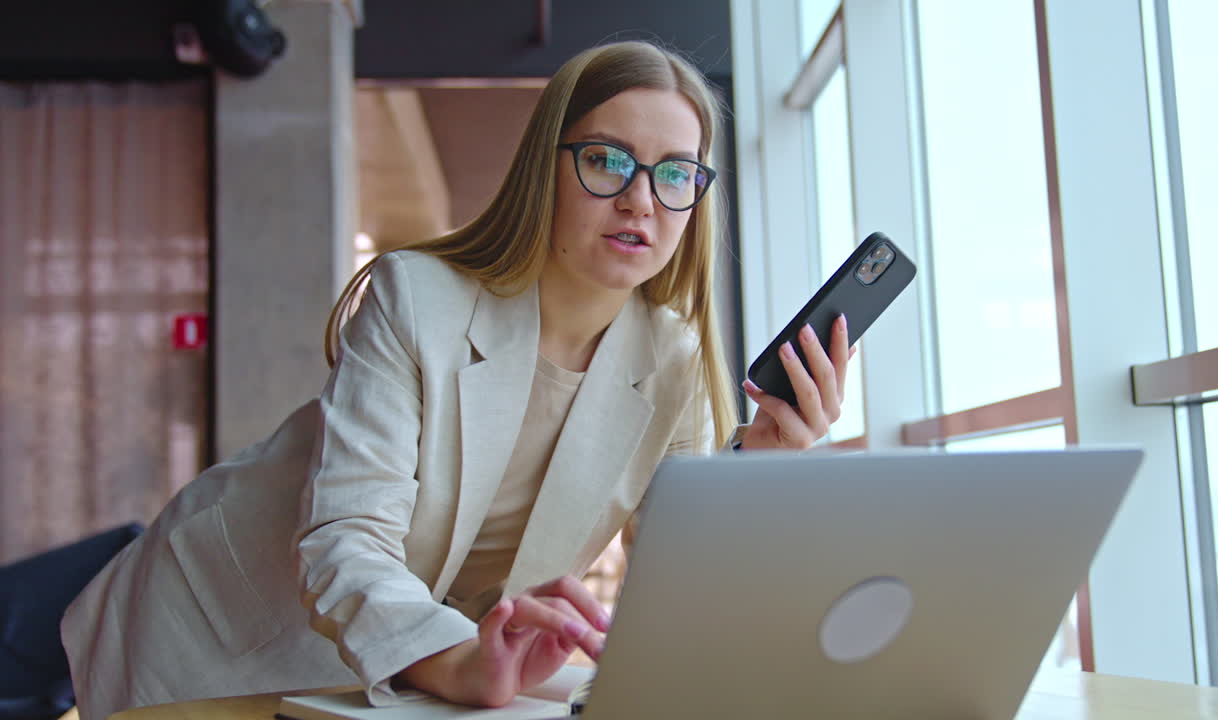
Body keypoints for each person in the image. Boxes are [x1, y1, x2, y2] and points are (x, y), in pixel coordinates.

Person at [60, 40, 855, 720]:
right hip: (220, 629)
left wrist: (763, 463)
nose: (641, 200)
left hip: (402, 669)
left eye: (676, 173)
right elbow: (347, 538)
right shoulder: (418, 296)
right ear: (546, 166)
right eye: (608, 161)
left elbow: (680, 575)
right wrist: (460, 661)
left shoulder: (671, 357)